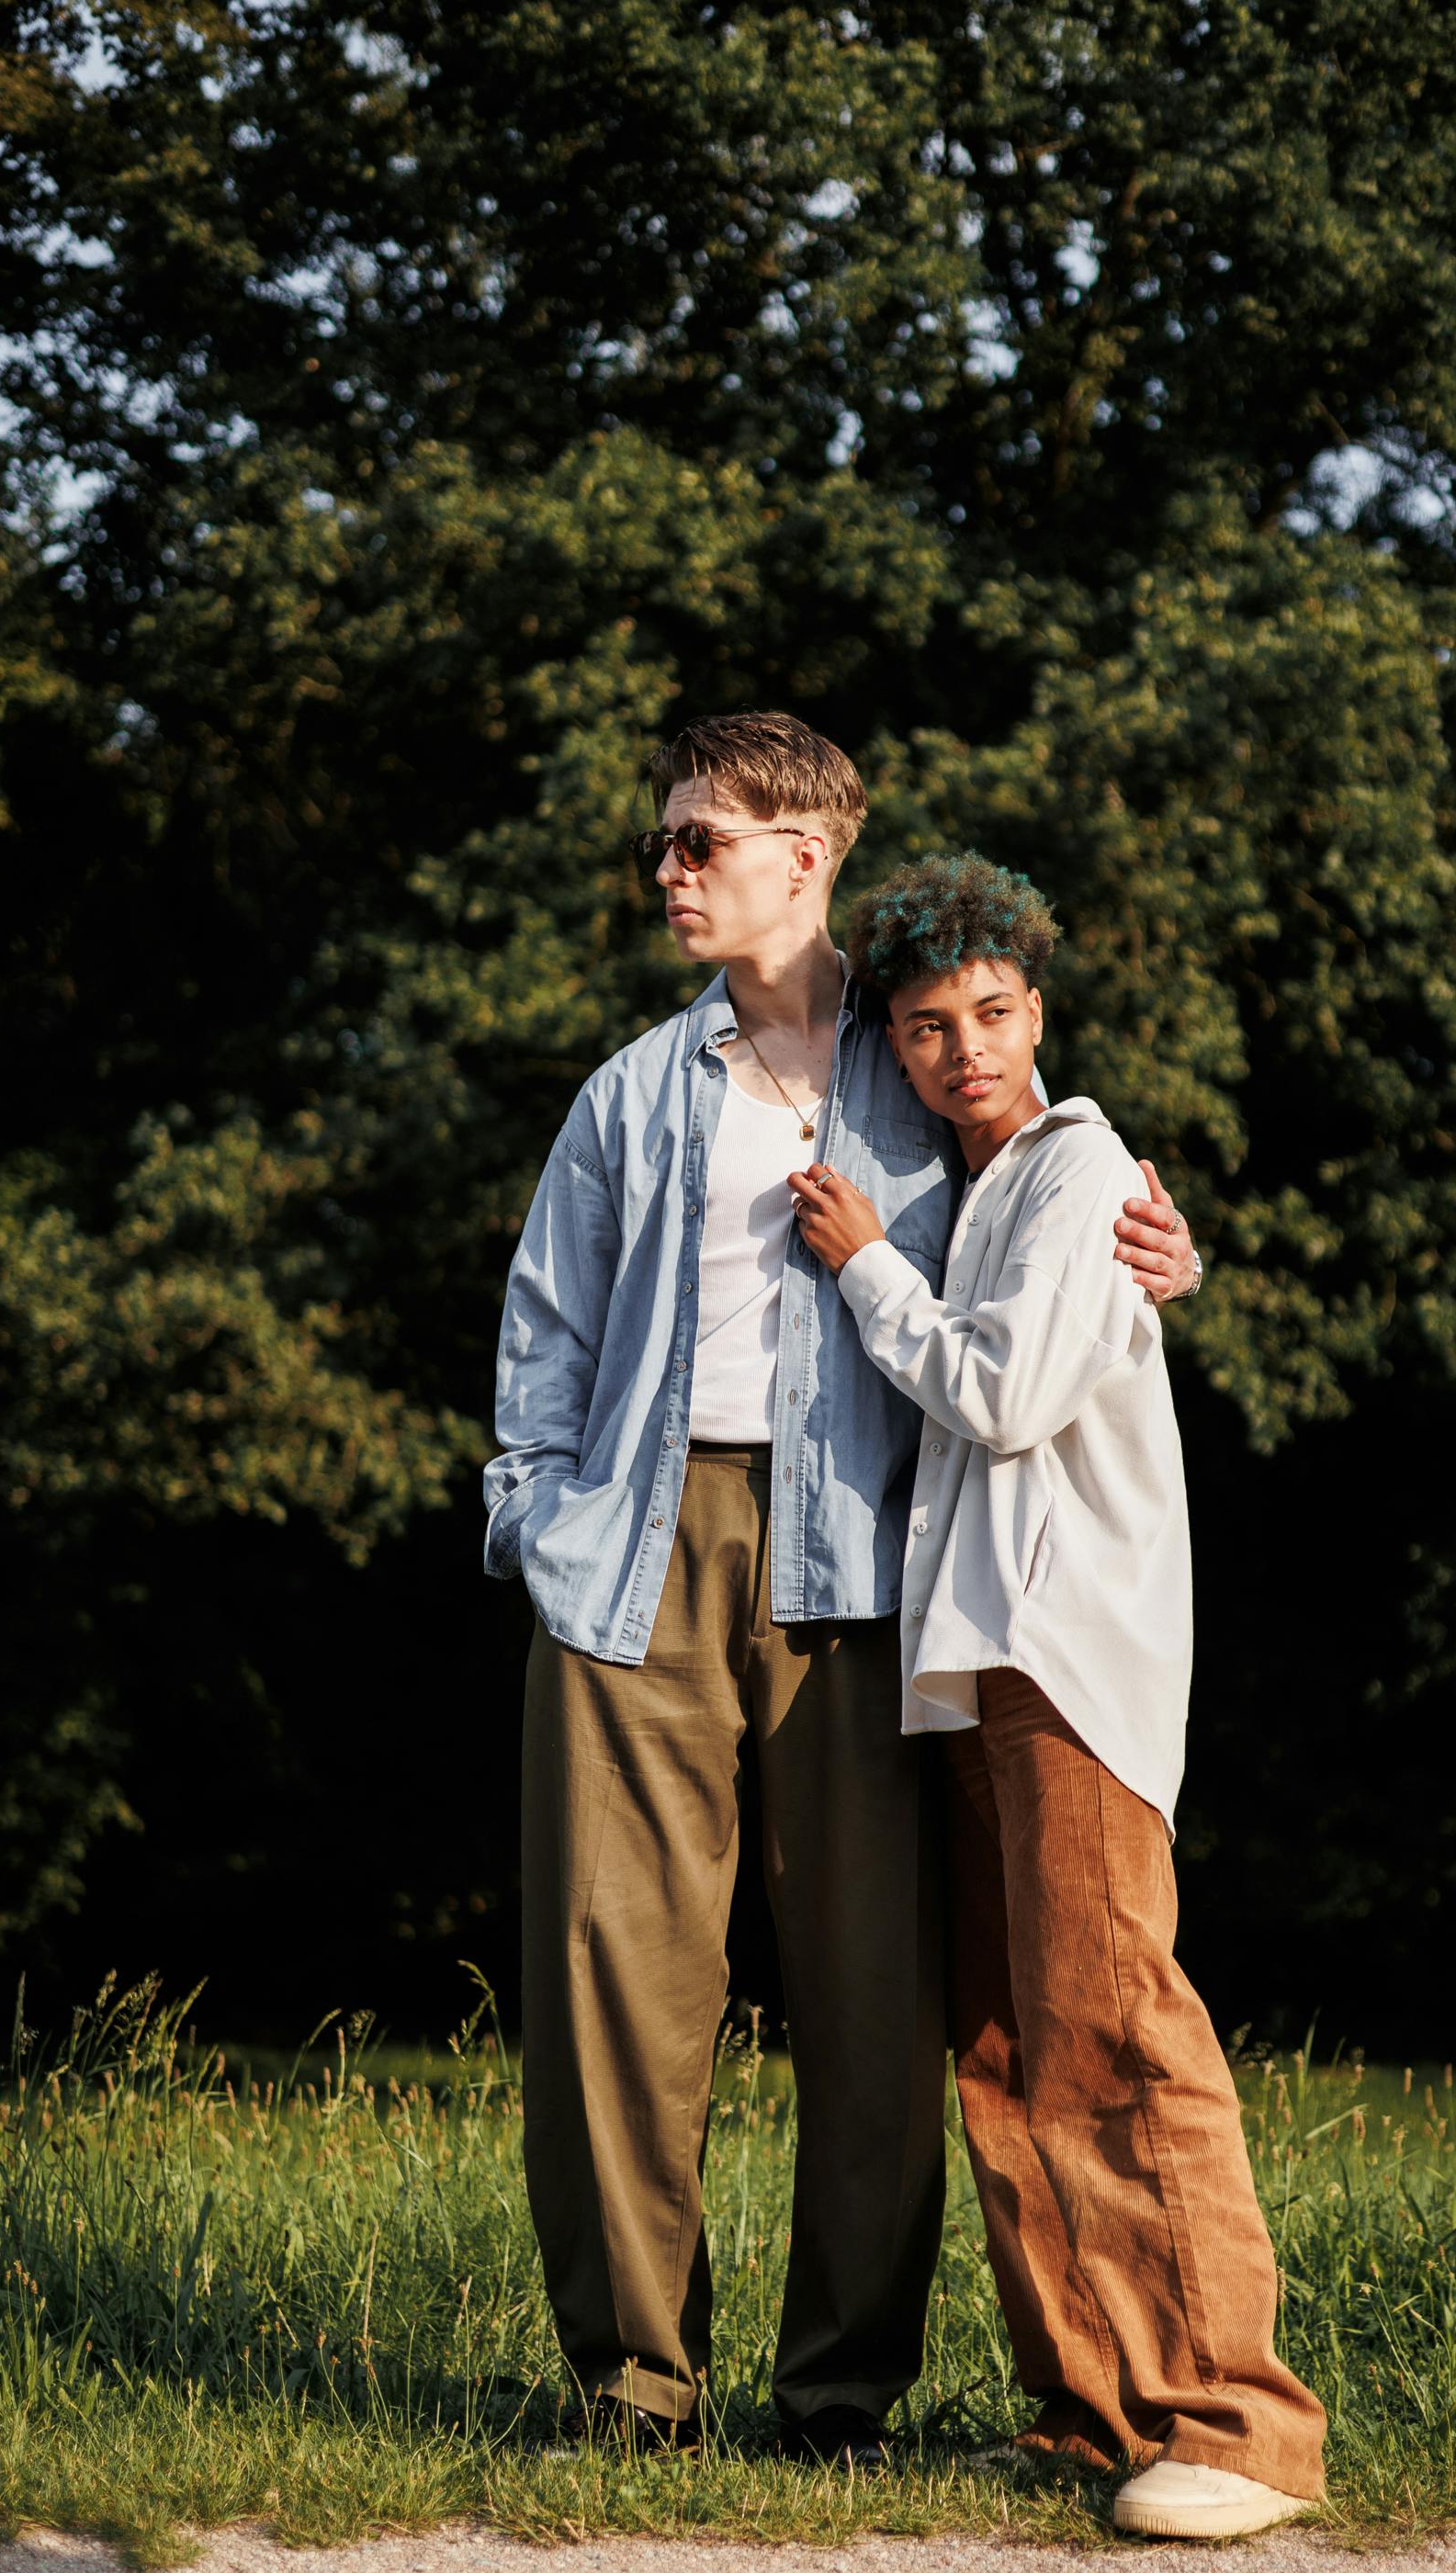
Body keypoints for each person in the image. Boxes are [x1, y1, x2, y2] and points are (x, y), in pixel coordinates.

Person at [484, 714, 1200, 2463]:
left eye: (698, 841)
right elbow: (547, 1328)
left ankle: (838, 2395)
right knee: (614, 1973)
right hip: (631, 1558)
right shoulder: (629, 1094)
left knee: (877, 1988)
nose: (668, 871)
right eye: (664, 842)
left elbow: (1059, 1231)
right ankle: (634, 2385)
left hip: (869, 1562)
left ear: (802, 857)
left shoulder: (926, 1072)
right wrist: (535, 1519)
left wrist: (1166, 1262)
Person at [792, 851, 1328, 2538]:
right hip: (976, 1659)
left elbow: (1007, 1396)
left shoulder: (1084, 1167)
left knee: (1117, 2027)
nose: (964, 1050)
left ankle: (1240, 2425)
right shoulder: (979, 1190)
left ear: (1040, 1012)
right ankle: (1093, 2411)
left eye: (993, 1013)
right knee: (1010, 2048)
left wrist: (867, 1267)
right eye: (927, 1025)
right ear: (894, 1044)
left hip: (1071, 1648)